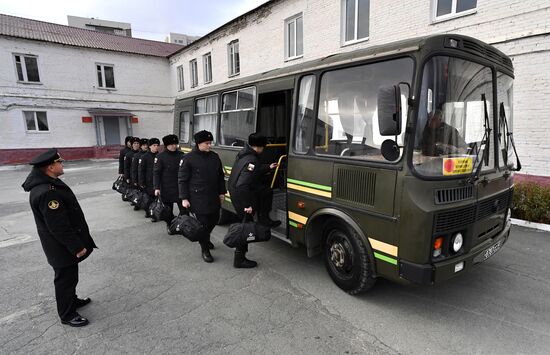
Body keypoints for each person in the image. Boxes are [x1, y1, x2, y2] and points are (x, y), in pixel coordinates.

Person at [21, 149, 97, 327]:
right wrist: (77, 247)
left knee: (71, 277)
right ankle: (67, 314)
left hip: (61, 246)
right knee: (64, 280)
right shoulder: (47, 192)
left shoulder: (50, 184)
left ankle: (72, 300)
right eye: (59, 163)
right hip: (61, 247)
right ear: (50, 167)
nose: (62, 165)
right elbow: (59, 227)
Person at [227, 133, 280, 268]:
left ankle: (264, 218)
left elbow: (253, 171)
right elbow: (243, 185)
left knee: (266, 191)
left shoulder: (245, 153)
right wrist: (247, 205)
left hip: (238, 190)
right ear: (259, 147)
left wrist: (268, 167)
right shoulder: (252, 159)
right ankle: (239, 259)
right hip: (241, 195)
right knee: (245, 227)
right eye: (263, 146)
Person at [178, 130, 226, 263]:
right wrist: (184, 198)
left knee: (214, 219)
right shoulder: (188, 158)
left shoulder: (215, 157)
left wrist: (222, 192)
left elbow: (220, 177)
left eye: (210, 143)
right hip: (198, 198)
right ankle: (205, 249)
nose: (209, 145)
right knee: (203, 224)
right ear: (199, 143)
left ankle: (205, 237)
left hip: (213, 195)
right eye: (207, 143)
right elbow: (182, 180)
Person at [153, 134, 185, 232]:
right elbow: (156, 173)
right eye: (172, 144)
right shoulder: (160, 157)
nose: (174, 146)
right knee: (168, 210)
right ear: (167, 145)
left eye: (175, 144)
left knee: (184, 210)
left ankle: (184, 226)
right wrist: (157, 188)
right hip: (167, 187)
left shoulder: (181, 155)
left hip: (180, 187)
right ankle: (170, 226)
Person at [138, 137, 160, 217]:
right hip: (148, 181)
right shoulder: (144, 157)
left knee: (157, 199)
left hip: (158, 181)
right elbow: (141, 170)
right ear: (149, 146)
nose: (156, 147)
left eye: (157, 145)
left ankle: (156, 212)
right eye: (154, 145)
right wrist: (141, 182)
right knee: (149, 199)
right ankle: (149, 212)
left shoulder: (160, 155)